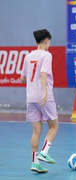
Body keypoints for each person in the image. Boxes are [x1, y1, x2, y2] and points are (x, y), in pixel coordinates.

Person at [20, 29, 58, 173]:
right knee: (54, 126)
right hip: (43, 97)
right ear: (46, 41)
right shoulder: (47, 55)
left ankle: (35, 163)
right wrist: (45, 92)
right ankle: (44, 152)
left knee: (36, 132)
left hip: (30, 98)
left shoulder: (28, 56)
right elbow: (43, 73)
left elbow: (22, 78)